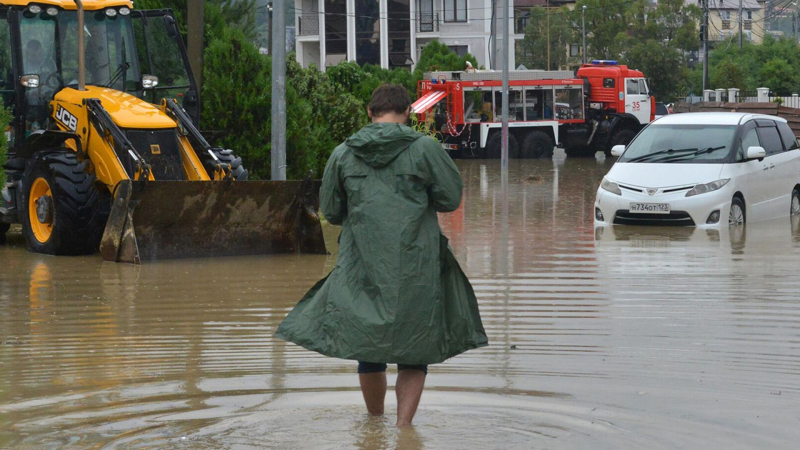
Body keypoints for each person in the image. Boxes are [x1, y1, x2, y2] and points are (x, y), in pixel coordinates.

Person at [275, 84, 488, 427]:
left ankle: (375, 425)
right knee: (415, 351)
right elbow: (450, 199)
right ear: (407, 113)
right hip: (416, 265)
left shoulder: (343, 153)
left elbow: (330, 209)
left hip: (363, 264)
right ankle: (404, 432)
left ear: (369, 113)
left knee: (369, 350)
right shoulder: (426, 149)